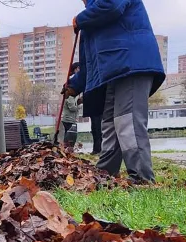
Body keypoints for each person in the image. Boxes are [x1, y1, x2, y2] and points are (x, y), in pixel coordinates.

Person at [64, 0, 166, 184]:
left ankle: (142, 178)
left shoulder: (92, 14)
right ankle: (105, 174)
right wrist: (75, 85)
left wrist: (80, 19)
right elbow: (89, 62)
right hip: (114, 70)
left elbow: (112, 6)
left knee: (128, 121)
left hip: (132, 63)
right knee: (110, 123)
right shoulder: (92, 16)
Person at [61, 62, 81, 151]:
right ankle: (67, 148)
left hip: (68, 119)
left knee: (68, 134)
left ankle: (66, 148)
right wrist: (79, 106)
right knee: (70, 135)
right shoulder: (70, 97)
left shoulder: (70, 96)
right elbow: (72, 108)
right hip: (68, 119)